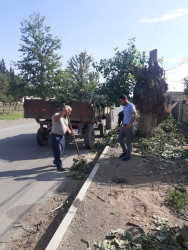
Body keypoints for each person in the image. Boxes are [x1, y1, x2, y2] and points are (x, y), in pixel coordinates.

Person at [51, 105, 74, 171]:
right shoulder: (57, 114)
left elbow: (66, 127)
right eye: (69, 112)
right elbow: (56, 119)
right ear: (65, 110)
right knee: (57, 151)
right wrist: (63, 112)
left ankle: (56, 160)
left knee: (61, 150)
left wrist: (70, 132)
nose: (70, 113)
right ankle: (59, 166)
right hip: (55, 136)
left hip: (62, 136)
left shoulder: (66, 118)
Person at [118, 95, 137, 161]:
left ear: (125, 99)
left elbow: (135, 115)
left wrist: (129, 123)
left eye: (121, 101)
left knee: (128, 142)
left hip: (129, 126)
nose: (121, 103)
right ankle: (125, 151)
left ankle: (128, 156)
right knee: (119, 138)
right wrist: (122, 123)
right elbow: (124, 116)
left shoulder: (131, 105)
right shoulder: (124, 107)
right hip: (124, 126)